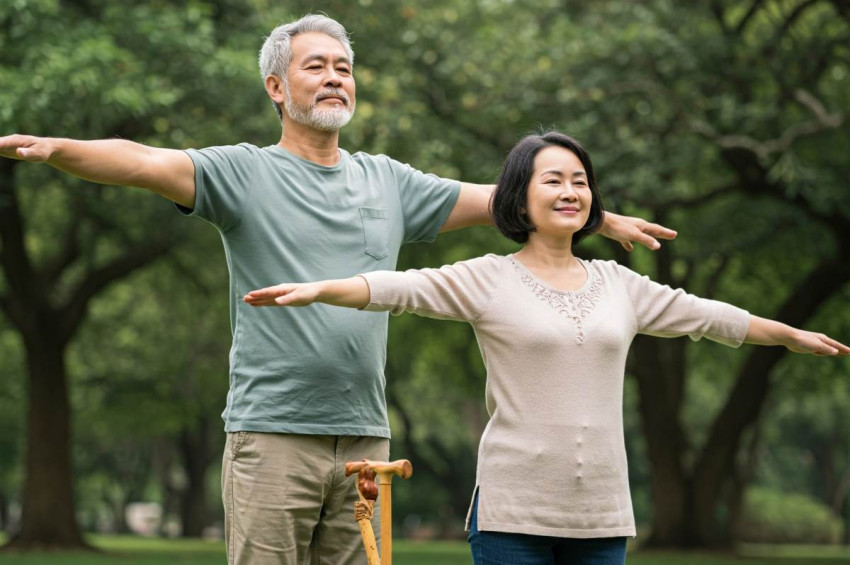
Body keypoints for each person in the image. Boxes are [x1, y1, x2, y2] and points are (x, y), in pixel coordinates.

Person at [0, 15, 677, 565]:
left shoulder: (389, 182)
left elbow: (509, 199)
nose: (334, 78)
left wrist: (600, 217)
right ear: (276, 87)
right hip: (272, 434)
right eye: (316, 66)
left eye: (344, 68)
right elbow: (144, 161)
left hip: (365, 441)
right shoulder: (241, 173)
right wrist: (59, 149)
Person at [244, 131, 849, 565]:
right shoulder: (488, 277)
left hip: (602, 516)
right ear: (519, 199)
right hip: (512, 517)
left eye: (580, 182)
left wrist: (786, 333)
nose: (570, 191)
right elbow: (401, 288)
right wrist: (322, 288)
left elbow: (706, 315)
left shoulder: (620, 285)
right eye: (553, 180)